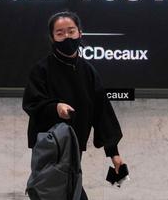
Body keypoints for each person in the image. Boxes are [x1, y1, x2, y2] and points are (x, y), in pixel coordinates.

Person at [23, 11, 125, 200]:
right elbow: (31, 102)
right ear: (52, 38)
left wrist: (114, 153)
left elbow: (101, 112)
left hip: (75, 147)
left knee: (69, 191)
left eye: (71, 31)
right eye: (60, 33)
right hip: (50, 148)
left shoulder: (88, 71)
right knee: (55, 192)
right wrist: (55, 108)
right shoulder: (42, 69)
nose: (67, 37)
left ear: (80, 34)